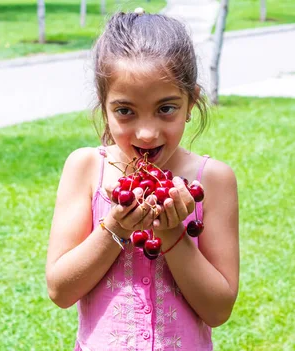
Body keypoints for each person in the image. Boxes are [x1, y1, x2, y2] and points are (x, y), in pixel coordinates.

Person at [46, 8, 239, 351]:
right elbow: (60, 291)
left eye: (166, 108)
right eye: (125, 111)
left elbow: (218, 308)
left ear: (191, 102)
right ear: (103, 107)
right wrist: (114, 229)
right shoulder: (86, 168)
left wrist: (171, 232)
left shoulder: (213, 181)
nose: (147, 133)